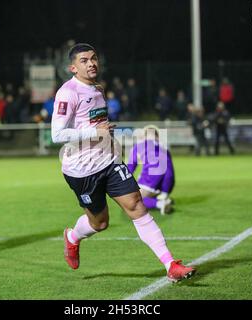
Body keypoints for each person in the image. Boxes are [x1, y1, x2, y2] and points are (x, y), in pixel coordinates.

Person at [51, 43, 196, 282]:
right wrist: (94, 133)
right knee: (100, 223)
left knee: (136, 205)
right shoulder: (68, 92)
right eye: (85, 61)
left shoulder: (98, 89)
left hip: (108, 162)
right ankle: (73, 237)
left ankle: (171, 265)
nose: (91, 63)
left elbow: (97, 124)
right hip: (81, 171)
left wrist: (106, 138)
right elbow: (57, 135)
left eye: (94, 58)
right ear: (73, 68)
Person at [127, 125, 174, 215]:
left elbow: (131, 167)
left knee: (130, 200)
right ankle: (162, 198)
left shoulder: (139, 145)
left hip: (147, 182)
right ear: (157, 136)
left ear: (144, 135)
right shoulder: (165, 148)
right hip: (162, 185)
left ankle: (159, 203)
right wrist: (165, 191)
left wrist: (125, 184)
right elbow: (170, 173)